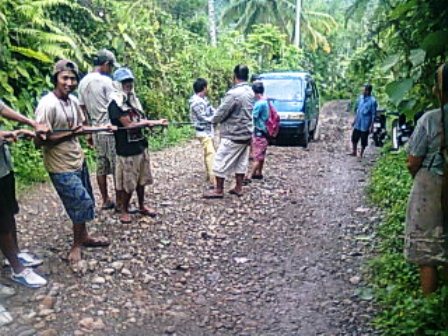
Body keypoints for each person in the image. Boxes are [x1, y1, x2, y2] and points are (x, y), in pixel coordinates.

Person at [35, 60, 113, 264]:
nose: (69, 83)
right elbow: (41, 140)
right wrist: (71, 133)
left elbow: (81, 128)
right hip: (59, 165)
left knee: (86, 200)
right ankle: (76, 245)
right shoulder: (47, 104)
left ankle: (84, 236)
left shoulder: (72, 101)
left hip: (77, 159)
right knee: (81, 203)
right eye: (64, 78)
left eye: (72, 79)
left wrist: (103, 128)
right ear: (56, 79)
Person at [405, 63, 448, 296]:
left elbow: (413, 160)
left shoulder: (431, 119)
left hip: (431, 183)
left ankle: (430, 304)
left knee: (427, 252)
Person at [108, 67, 168, 224]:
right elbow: (128, 125)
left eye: (130, 81)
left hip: (140, 146)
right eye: (124, 82)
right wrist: (152, 122)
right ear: (117, 84)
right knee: (129, 183)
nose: (128, 84)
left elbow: (139, 120)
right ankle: (125, 210)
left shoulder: (133, 101)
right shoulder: (115, 104)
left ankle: (142, 205)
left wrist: (150, 124)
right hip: (126, 150)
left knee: (142, 180)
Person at [0, 101, 48, 288]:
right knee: (2, 221)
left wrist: (31, 123)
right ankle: (17, 269)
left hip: (3, 166)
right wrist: (11, 134)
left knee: (10, 211)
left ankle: (15, 253)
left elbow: (2, 109)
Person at [203, 64, 254, 198]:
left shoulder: (234, 94)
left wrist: (211, 120)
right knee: (241, 162)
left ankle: (218, 190)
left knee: (220, 160)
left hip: (233, 134)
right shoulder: (251, 91)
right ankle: (238, 187)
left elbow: (221, 112)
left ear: (234, 76)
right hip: (247, 133)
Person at [78, 49, 120, 210]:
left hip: (95, 129)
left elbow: (82, 109)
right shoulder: (105, 82)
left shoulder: (82, 82)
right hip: (109, 129)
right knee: (116, 165)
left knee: (101, 165)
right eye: (111, 67)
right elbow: (114, 105)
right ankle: (120, 202)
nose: (111, 70)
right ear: (106, 64)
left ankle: (105, 199)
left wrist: (88, 131)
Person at [189, 78, 216, 188]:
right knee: (211, 153)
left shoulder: (204, 99)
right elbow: (203, 117)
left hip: (207, 130)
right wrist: (215, 119)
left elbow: (212, 111)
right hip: (202, 131)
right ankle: (213, 178)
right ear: (204, 87)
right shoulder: (196, 102)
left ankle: (209, 175)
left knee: (207, 153)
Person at [246, 81, 269, 182]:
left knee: (256, 155)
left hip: (259, 131)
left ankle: (249, 176)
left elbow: (252, 117)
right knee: (262, 153)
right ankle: (259, 172)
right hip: (265, 131)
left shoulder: (259, 104)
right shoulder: (266, 101)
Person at [349, 84, 377, 157]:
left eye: (364, 90)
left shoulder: (372, 101)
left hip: (365, 124)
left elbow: (373, 114)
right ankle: (354, 152)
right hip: (358, 123)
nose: (362, 91)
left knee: (363, 140)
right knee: (354, 138)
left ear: (368, 91)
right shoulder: (361, 98)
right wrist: (354, 121)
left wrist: (372, 126)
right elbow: (358, 111)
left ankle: (361, 154)